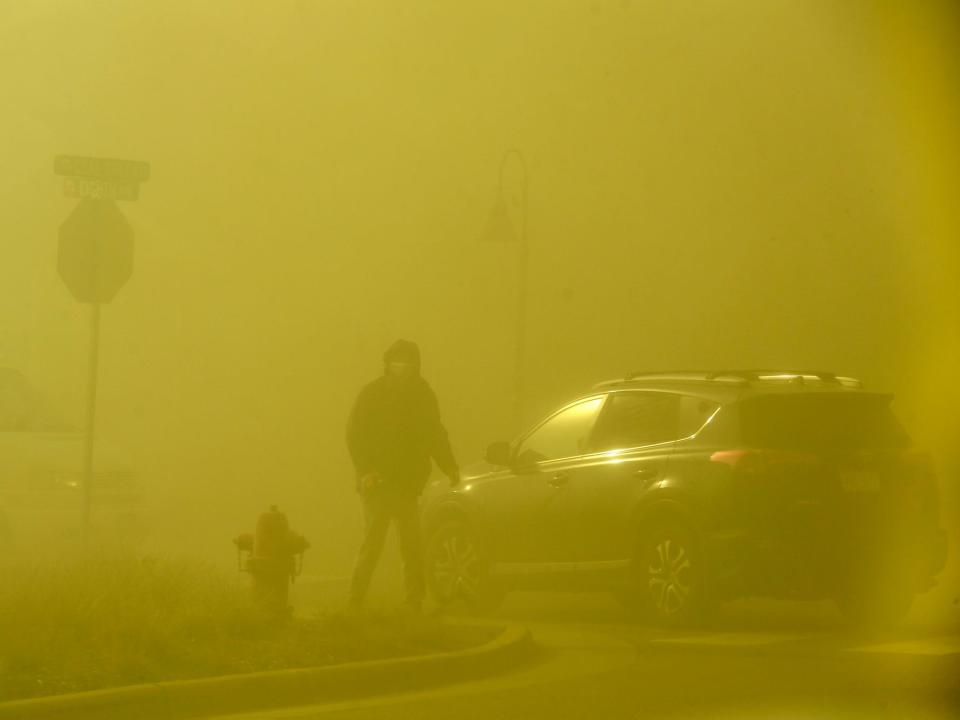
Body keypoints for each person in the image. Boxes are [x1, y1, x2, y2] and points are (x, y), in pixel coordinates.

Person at [346, 339, 459, 612]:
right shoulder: (372, 393)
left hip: (409, 483)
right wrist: (365, 471)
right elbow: (355, 435)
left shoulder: (423, 394)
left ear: (416, 364)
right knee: (372, 544)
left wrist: (450, 466)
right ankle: (355, 601)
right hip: (377, 482)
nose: (402, 365)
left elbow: (435, 433)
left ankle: (414, 602)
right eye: (398, 359)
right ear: (387, 362)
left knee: (412, 546)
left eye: (408, 359)